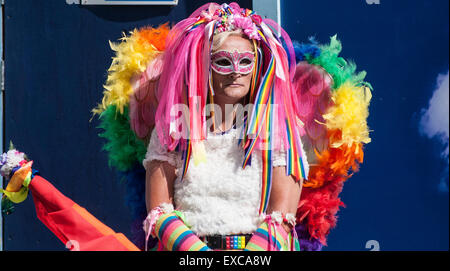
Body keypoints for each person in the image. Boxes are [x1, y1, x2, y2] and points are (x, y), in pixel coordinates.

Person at [1, 2, 372, 251]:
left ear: (259, 66)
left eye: (246, 61)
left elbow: (282, 215)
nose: (236, 71)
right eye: (223, 60)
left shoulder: (279, 131)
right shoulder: (174, 129)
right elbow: (159, 208)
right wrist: (195, 254)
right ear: (203, 65)